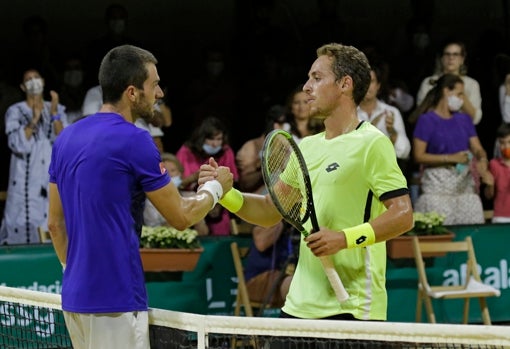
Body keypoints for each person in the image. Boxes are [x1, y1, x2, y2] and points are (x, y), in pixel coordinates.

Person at [199, 43, 413, 321]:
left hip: (353, 307)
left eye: (317, 77)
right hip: (299, 306)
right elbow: (268, 210)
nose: (306, 86)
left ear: (345, 84)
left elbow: (403, 215)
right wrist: (227, 193)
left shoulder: (372, 143)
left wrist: (344, 239)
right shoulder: (307, 148)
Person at [47, 45, 232, 349]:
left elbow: (55, 224)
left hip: (74, 299)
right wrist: (215, 189)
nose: (160, 93)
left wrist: (79, 273)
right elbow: (182, 217)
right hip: (116, 302)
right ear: (132, 92)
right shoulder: (136, 140)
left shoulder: (66, 137)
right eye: (155, 84)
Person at [412, 73, 490, 225]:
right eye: (459, 94)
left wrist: (482, 159)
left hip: (464, 185)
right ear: (446, 91)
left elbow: (477, 148)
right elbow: (418, 156)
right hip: (437, 187)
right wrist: (451, 158)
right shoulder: (426, 120)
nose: (462, 99)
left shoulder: (464, 119)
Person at [0, 69, 67, 244]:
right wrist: (35, 118)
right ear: (23, 87)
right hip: (24, 185)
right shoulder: (15, 111)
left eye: (36, 78)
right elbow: (17, 144)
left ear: (43, 82)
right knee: (21, 232)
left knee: (53, 231)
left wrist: (54, 114)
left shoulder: (56, 107)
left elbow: (65, 142)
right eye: (28, 79)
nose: (33, 82)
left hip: (50, 182)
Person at [176, 115, 239, 236]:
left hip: (220, 202)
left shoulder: (226, 151)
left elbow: (233, 181)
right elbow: (178, 184)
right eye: (211, 139)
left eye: (219, 139)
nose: (215, 144)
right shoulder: (185, 151)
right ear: (202, 138)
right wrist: (195, 177)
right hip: (190, 199)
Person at [414, 40, 482, 125]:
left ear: (462, 59)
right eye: (447, 54)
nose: (451, 58)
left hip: (461, 131)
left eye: (455, 54)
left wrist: (460, 94)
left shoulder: (472, 84)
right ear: (442, 58)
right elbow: (420, 114)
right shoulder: (428, 82)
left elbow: (475, 118)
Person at [358, 65, 411, 170]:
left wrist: (392, 131)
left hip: (383, 173)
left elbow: (404, 151)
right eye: (364, 81)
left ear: (378, 85)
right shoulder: (348, 112)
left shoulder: (391, 112)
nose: (367, 85)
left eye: (371, 81)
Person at [143, 152, 209, 235]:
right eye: (165, 171)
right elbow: (152, 233)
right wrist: (185, 219)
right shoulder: (151, 202)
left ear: (180, 174)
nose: (169, 175)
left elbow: (204, 232)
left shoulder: (192, 196)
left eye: (173, 170)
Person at [484, 123, 510, 223]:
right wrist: (490, 184)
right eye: (502, 143)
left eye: (509, 142)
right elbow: (488, 195)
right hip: (501, 217)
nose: (506, 146)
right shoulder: (494, 164)